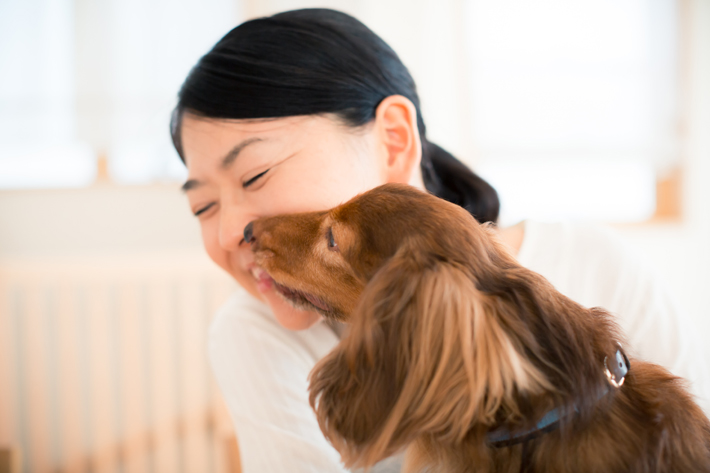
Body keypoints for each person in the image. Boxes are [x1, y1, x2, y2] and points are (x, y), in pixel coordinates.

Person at [171, 8, 709, 472]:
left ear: (393, 139)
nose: (227, 232)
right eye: (203, 206)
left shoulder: (594, 262)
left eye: (255, 176)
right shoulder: (252, 333)